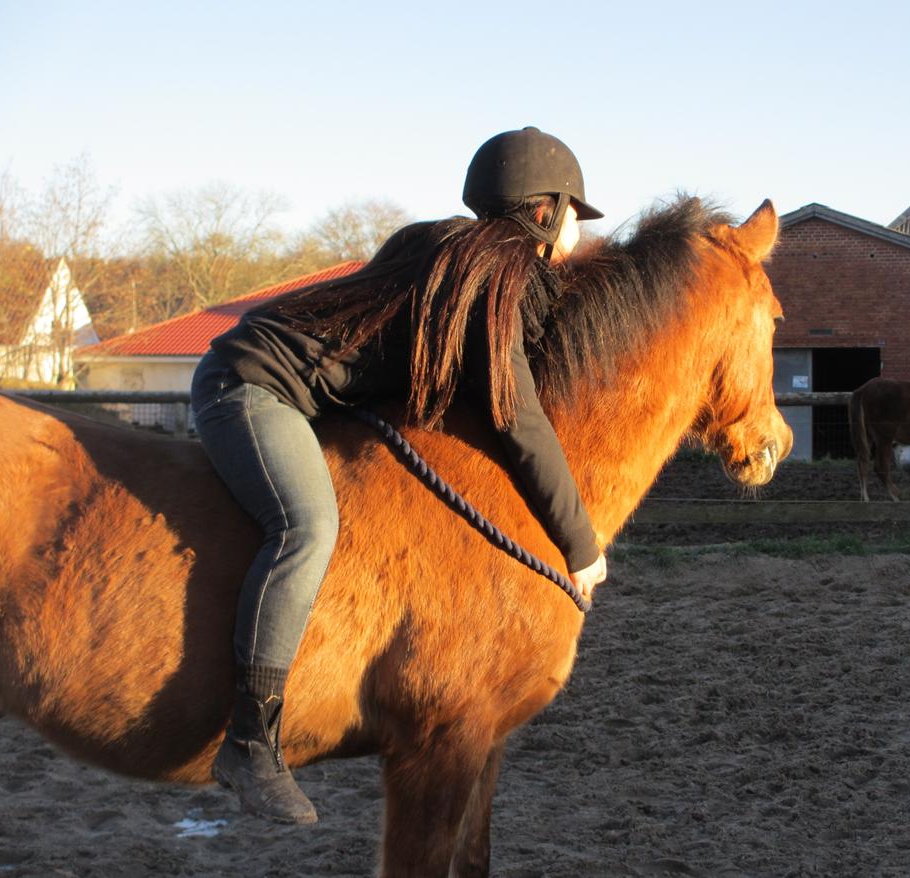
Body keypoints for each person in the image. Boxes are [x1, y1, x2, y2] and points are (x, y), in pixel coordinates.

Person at [189, 127, 607, 825]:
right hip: (249, 385)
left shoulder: (457, 252)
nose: (575, 230)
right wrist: (582, 545)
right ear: (544, 210)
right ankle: (250, 743)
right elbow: (517, 419)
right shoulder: (490, 276)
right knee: (307, 526)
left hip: (296, 392)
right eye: (572, 213)